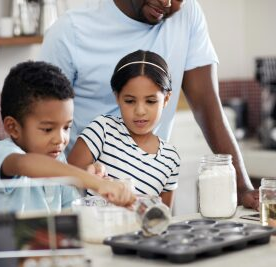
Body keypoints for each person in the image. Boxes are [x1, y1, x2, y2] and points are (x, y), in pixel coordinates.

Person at [40, 0, 258, 210]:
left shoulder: (187, 15)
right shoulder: (70, 32)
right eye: (129, 100)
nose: (166, 2)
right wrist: (85, 181)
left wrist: (242, 187)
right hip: (81, 203)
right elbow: (41, 131)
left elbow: (207, 103)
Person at [0, 61, 134, 213]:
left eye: (66, 127)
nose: (60, 139)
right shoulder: (4, 154)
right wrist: (95, 183)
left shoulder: (58, 159)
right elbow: (27, 164)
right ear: (13, 127)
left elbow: (72, 211)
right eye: (48, 129)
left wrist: (95, 189)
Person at [68, 50, 180, 208]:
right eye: (129, 101)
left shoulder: (170, 159)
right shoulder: (103, 130)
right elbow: (64, 181)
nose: (140, 110)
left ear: (166, 98)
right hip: (93, 229)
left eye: (150, 101)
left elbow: (161, 217)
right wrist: (89, 174)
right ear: (117, 97)